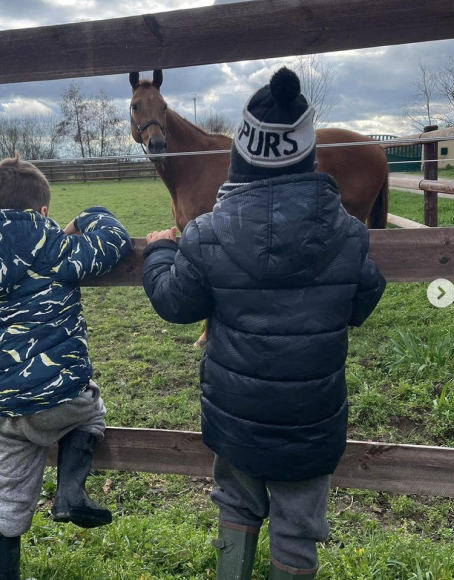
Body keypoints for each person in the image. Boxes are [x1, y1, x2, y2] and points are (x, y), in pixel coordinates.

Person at [141, 68, 386, 579]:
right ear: (305, 154)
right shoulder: (345, 232)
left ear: (243, 154)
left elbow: (174, 302)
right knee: (297, 529)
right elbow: (363, 301)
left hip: (236, 416)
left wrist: (161, 252)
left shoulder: (208, 231)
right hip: (312, 421)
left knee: (235, 507)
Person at [0, 154, 131, 580]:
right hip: (63, 396)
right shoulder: (49, 242)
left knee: (5, 498)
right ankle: (69, 493)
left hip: (3, 407)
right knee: (93, 411)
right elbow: (111, 242)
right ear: (42, 210)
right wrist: (88, 216)